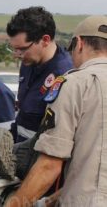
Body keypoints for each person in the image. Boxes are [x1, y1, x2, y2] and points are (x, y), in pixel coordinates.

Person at [6, 15, 107, 207]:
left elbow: (49, 166)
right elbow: (90, 166)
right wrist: (50, 200)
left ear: (78, 43)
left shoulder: (73, 83)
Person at [6, 6, 73, 142]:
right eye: (14, 49)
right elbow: (23, 115)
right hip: (20, 153)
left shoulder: (66, 75)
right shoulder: (29, 63)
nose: (16, 55)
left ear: (45, 40)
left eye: (22, 49)